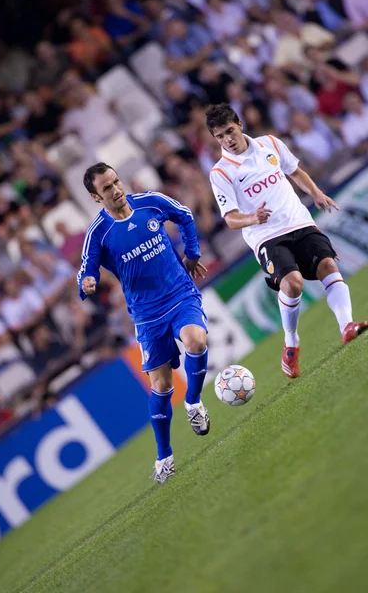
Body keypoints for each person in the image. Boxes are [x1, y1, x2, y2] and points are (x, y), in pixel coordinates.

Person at [206, 103, 367, 379]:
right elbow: (231, 218)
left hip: (299, 221)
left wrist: (315, 192)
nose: (227, 140)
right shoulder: (220, 173)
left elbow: (295, 172)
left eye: (229, 131)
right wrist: (251, 219)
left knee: (328, 266)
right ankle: (291, 342)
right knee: (292, 284)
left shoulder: (270, 143)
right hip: (266, 235)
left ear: (240, 124)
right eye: (219, 136)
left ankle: (347, 327)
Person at [78, 163, 209, 483]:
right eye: (107, 188)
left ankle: (192, 400)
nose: (116, 189)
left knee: (196, 340)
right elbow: (87, 268)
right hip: (147, 315)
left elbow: (185, 215)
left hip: (179, 294)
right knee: (162, 386)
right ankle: (164, 455)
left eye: (116, 181)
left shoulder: (150, 201)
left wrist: (192, 252)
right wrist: (88, 283)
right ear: (97, 197)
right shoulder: (99, 233)